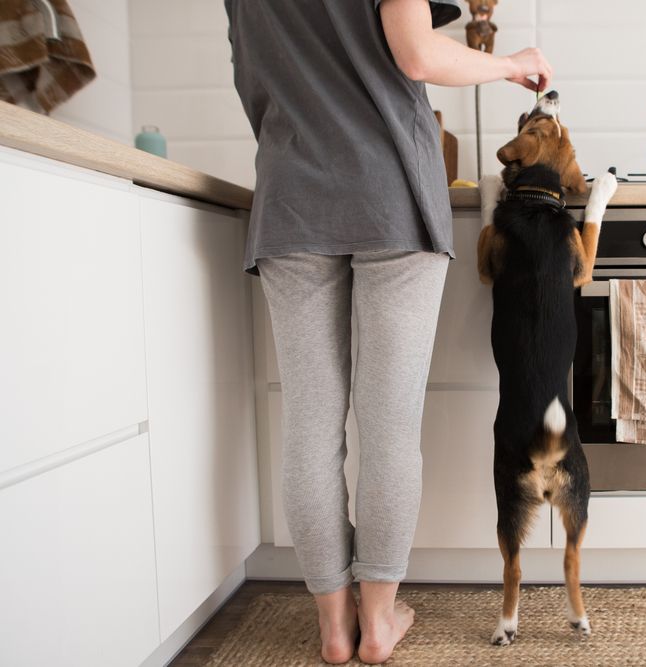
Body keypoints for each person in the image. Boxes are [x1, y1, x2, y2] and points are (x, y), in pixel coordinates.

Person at [224, 0, 553, 663]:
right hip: (391, 197)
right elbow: (418, 53)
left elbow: (253, 76)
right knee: (389, 426)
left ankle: (333, 629)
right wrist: (510, 64)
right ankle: (377, 623)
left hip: (291, 199)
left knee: (310, 425)